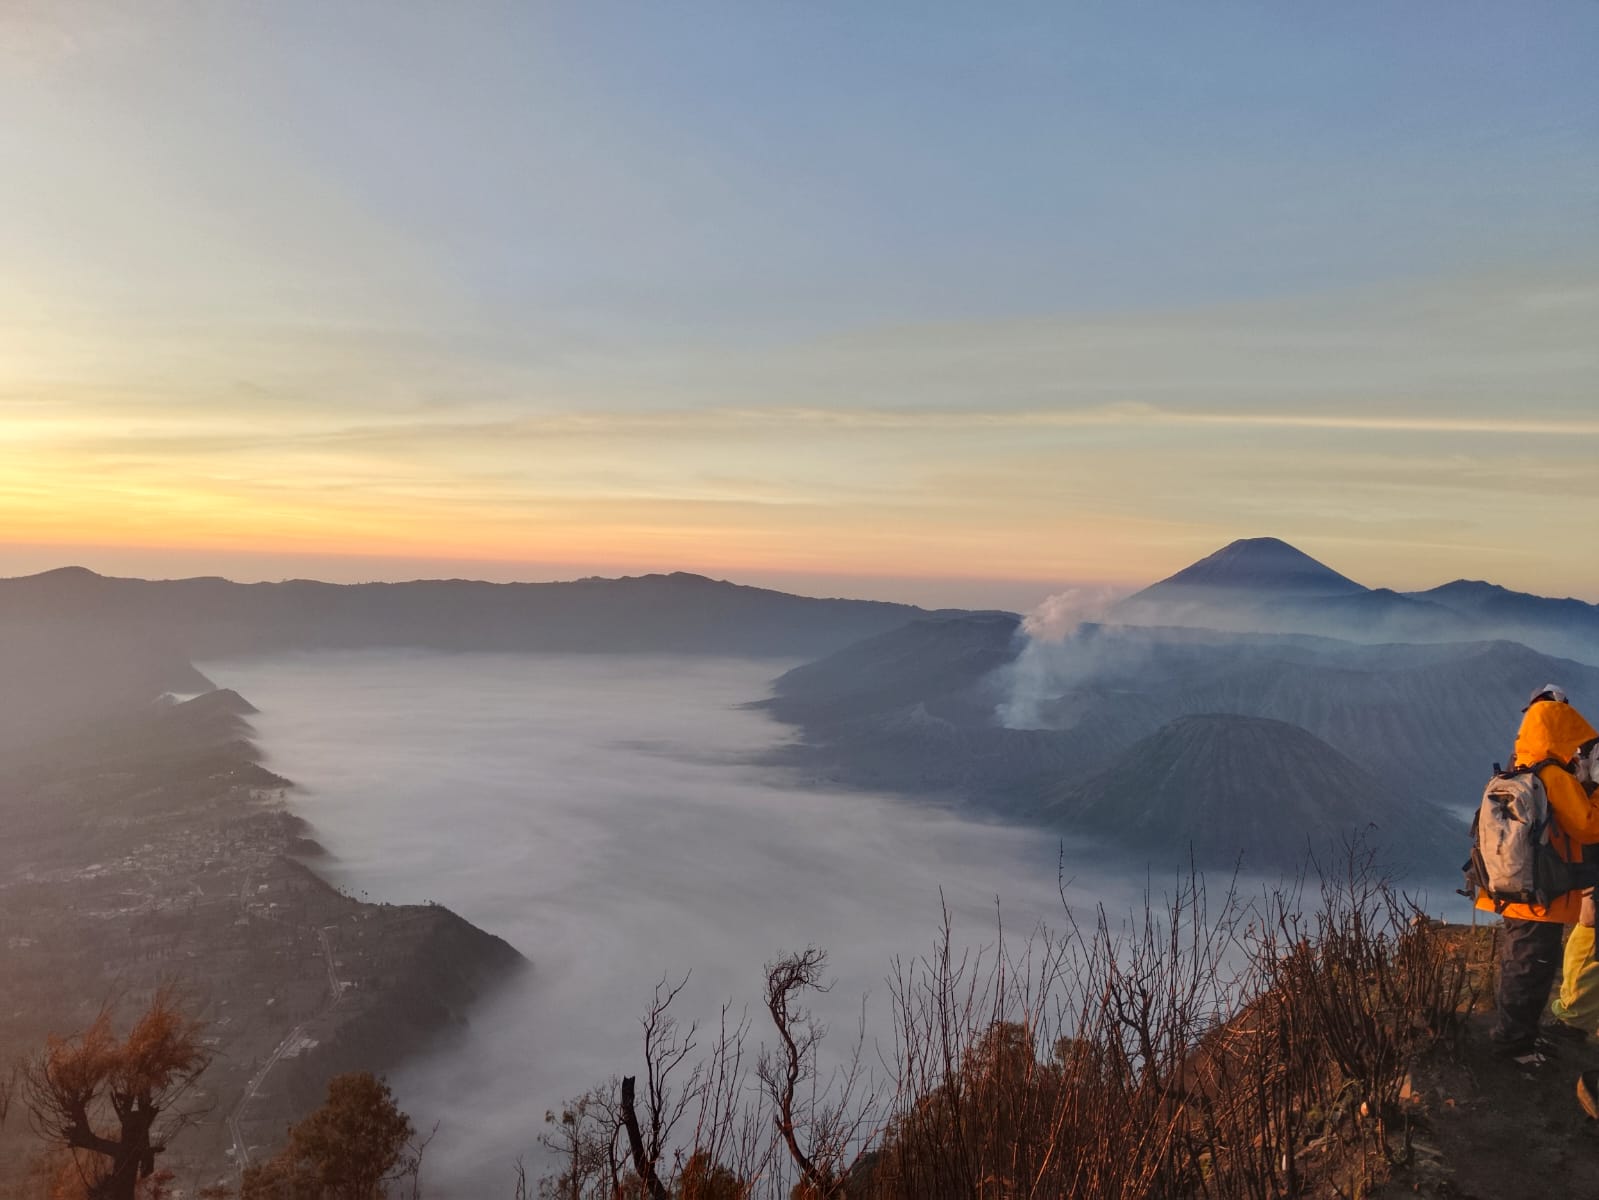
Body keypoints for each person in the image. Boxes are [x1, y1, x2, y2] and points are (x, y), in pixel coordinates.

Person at [1481, 685, 1599, 1054]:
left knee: (1522, 961)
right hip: (1540, 891)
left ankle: (1515, 1036)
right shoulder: (1553, 775)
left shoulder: (1519, 767)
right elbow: (1588, 827)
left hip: (1514, 884)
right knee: (1531, 967)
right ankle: (1513, 1044)